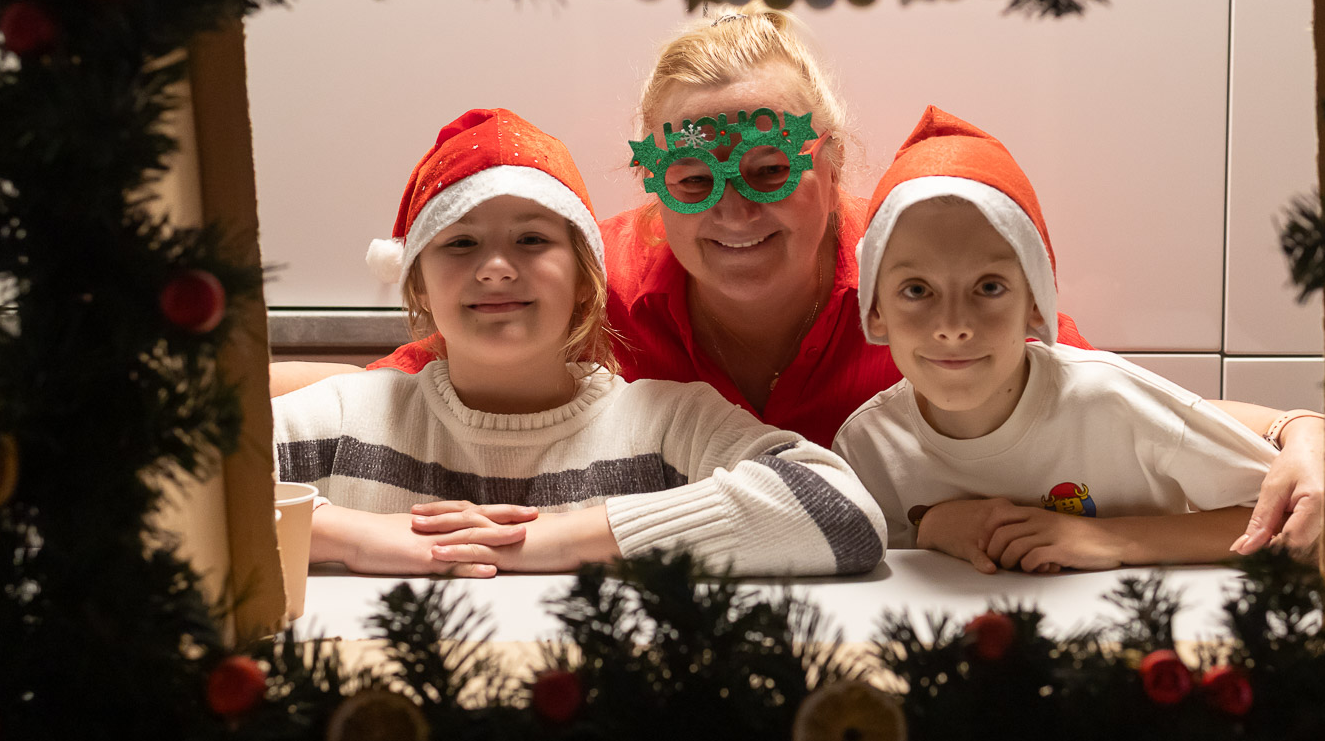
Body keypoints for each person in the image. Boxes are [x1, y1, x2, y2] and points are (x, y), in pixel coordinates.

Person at [273, 3, 1323, 556]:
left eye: (770, 172)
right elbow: (391, 390)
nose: (734, 211)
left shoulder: (919, 275)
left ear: (832, 166)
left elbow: (1095, 393)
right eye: (696, 181)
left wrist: (1297, 431)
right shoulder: (591, 286)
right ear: (657, 186)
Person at [272, 107, 886, 578]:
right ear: (419, 287)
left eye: (532, 240)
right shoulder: (347, 418)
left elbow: (843, 514)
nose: (496, 269)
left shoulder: (666, 424)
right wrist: (349, 536)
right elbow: (206, 475)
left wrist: (553, 541)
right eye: (460, 243)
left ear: (586, 282)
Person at [835, 107, 1278, 572]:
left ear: (1037, 303)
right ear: (875, 311)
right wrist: (930, 529)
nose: (952, 325)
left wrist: (1111, 540)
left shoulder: (1112, 403)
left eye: (989, 287)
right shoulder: (867, 449)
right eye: (916, 291)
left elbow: (1287, 519)